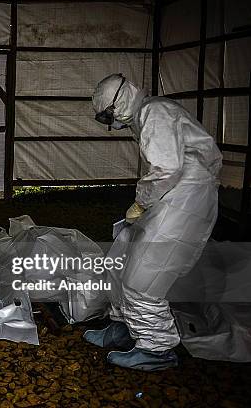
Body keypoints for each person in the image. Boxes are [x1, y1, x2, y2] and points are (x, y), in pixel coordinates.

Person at [84, 73, 222, 371]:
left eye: (108, 115)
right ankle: (124, 327)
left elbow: (165, 169)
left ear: (120, 103)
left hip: (185, 197)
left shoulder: (154, 112)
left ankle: (156, 348)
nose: (110, 124)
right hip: (172, 194)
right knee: (119, 260)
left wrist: (141, 202)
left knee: (143, 279)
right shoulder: (147, 116)